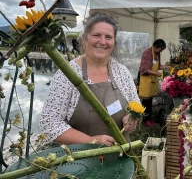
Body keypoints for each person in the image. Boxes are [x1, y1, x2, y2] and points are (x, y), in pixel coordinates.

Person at [39, 13, 140, 145]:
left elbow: (136, 105)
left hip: (120, 156)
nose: (102, 41)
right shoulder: (67, 74)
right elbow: (50, 124)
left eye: (108, 37)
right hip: (80, 160)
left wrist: (132, 118)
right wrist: (90, 141)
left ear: (114, 42)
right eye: (96, 35)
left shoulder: (122, 73)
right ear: (84, 38)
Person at [139, 39, 171, 127]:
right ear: (156, 46)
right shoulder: (148, 53)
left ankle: (148, 118)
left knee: (150, 100)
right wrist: (157, 73)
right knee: (146, 101)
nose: (161, 51)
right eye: (160, 49)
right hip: (146, 80)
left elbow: (158, 66)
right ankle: (145, 120)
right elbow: (144, 69)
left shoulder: (157, 53)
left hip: (152, 80)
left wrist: (165, 67)